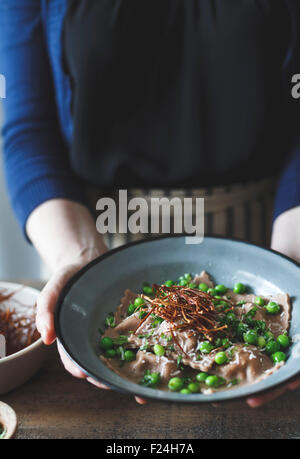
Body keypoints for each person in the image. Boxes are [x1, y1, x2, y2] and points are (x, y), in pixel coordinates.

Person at [0, 0, 300, 408]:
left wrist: (288, 266)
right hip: (91, 232)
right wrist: (80, 260)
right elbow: (30, 128)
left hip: (270, 232)